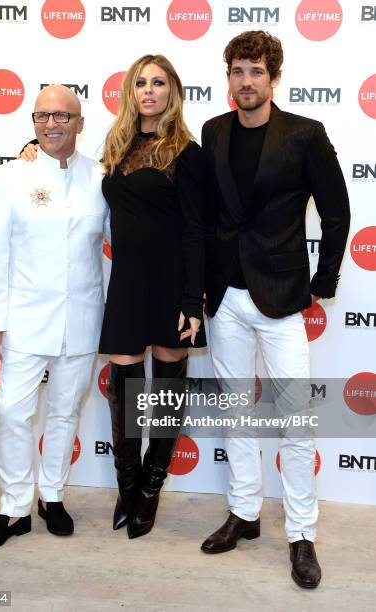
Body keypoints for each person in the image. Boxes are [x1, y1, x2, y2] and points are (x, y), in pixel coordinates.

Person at [200, 31, 350, 588]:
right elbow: (203, 218)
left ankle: (302, 535)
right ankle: (244, 514)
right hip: (226, 300)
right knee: (236, 413)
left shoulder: (306, 135)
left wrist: (322, 281)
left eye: (256, 71)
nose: (246, 81)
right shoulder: (213, 133)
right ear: (228, 78)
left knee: (295, 422)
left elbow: (337, 212)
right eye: (237, 71)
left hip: (283, 299)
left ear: (274, 77)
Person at [0, 85, 109, 550]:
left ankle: (51, 496)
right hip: (25, 318)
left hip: (84, 319)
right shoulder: (10, 178)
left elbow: (124, 241)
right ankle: (14, 509)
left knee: (66, 411)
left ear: (80, 123)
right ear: (33, 123)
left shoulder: (100, 178)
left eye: (63, 116)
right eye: (43, 116)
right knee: (13, 411)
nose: (51, 124)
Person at [100, 54, 206, 539]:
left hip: (170, 283)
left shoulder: (186, 150)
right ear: (131, 92)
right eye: (141, 82)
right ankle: (128, 485)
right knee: (124, 386)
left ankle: (150, 490)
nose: (149, 90)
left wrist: (191, 301)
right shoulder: (117, 145)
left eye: (159, 82)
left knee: (165, 387)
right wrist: (30, 148)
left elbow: (194, 230)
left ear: (172, 92)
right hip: (125, 281)